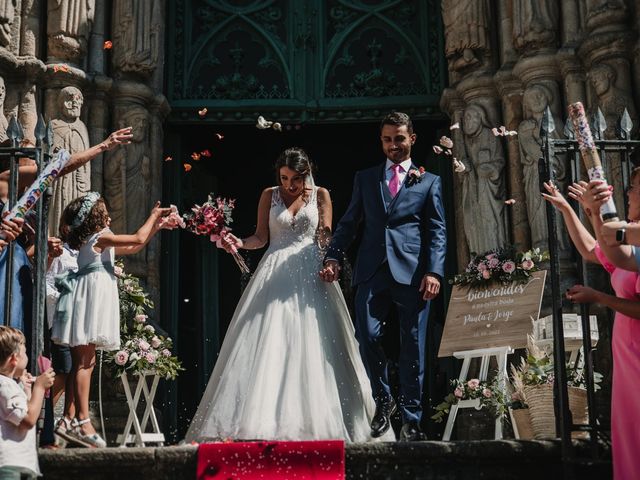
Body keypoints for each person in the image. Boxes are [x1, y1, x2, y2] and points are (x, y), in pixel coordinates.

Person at [185, 147, 395, 443]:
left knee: (314, 341)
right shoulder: (268, 195)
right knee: (270, 340)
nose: (289, 185)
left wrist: (328, 258)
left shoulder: (321, 195)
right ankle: (261, 422)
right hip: (274, 273)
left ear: (306, 172)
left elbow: (325, 235)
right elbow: (260, 237)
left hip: (311, 271)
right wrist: (237, 242)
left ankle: (321, 422)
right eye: (283, 178)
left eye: (295, 179)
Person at [320, 112, 447, 441]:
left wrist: (434, 270)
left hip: (414, 273)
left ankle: (413, 417)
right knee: (368, 335)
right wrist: (333, 255)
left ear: (412, 139)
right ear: (381, 141)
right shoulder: (365, 178)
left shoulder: (429, 181)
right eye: (388, 139)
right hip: (372, 269)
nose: (394, 145)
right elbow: (350, 223)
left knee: (413, 347)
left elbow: (437, 231)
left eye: (400, 138)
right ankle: (382, 399)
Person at [50, 192, 170, 447]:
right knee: (85, 362)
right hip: (90, 297)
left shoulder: (96, 240)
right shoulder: (99, 237)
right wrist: (152, 216)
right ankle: (83, 421)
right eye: (105, 212)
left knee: (82, 361)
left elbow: (135, 245)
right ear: (96, 217)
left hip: (89, 296)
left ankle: (68, 419)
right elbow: (136, 237)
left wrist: (155, 228)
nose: (110, 216)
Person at [542, 175, 640, 480]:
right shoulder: (632, 245)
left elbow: (613, 240)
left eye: (634, 187)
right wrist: (571, 210)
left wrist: (600, 297)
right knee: (630, 433)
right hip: (628, 356)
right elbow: (596, 250)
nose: (628, 192)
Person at [0, 326, 56, 479]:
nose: (27, 357)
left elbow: (25, 412)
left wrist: (27, 390)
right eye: (24, 353)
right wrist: (39, 388)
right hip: (10, 467)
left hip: (20, 464)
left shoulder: (9, 385)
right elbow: (28, 420)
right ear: (14, 359)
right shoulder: (5, 386)